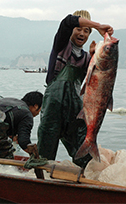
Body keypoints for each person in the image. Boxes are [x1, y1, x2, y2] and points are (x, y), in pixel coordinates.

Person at [37, 10, 114, 168]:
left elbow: (96, 82)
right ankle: (40, 182)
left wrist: (94, 56)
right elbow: (68, 21)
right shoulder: (61, 46)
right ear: (71, 30)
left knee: (84, 154)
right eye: (79, 28)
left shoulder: (87, 58)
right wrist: (98, 26)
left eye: (86, 31)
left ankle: (84, 180)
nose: (82, 33)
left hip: (75, 112)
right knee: (45, 154)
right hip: (53, 111)